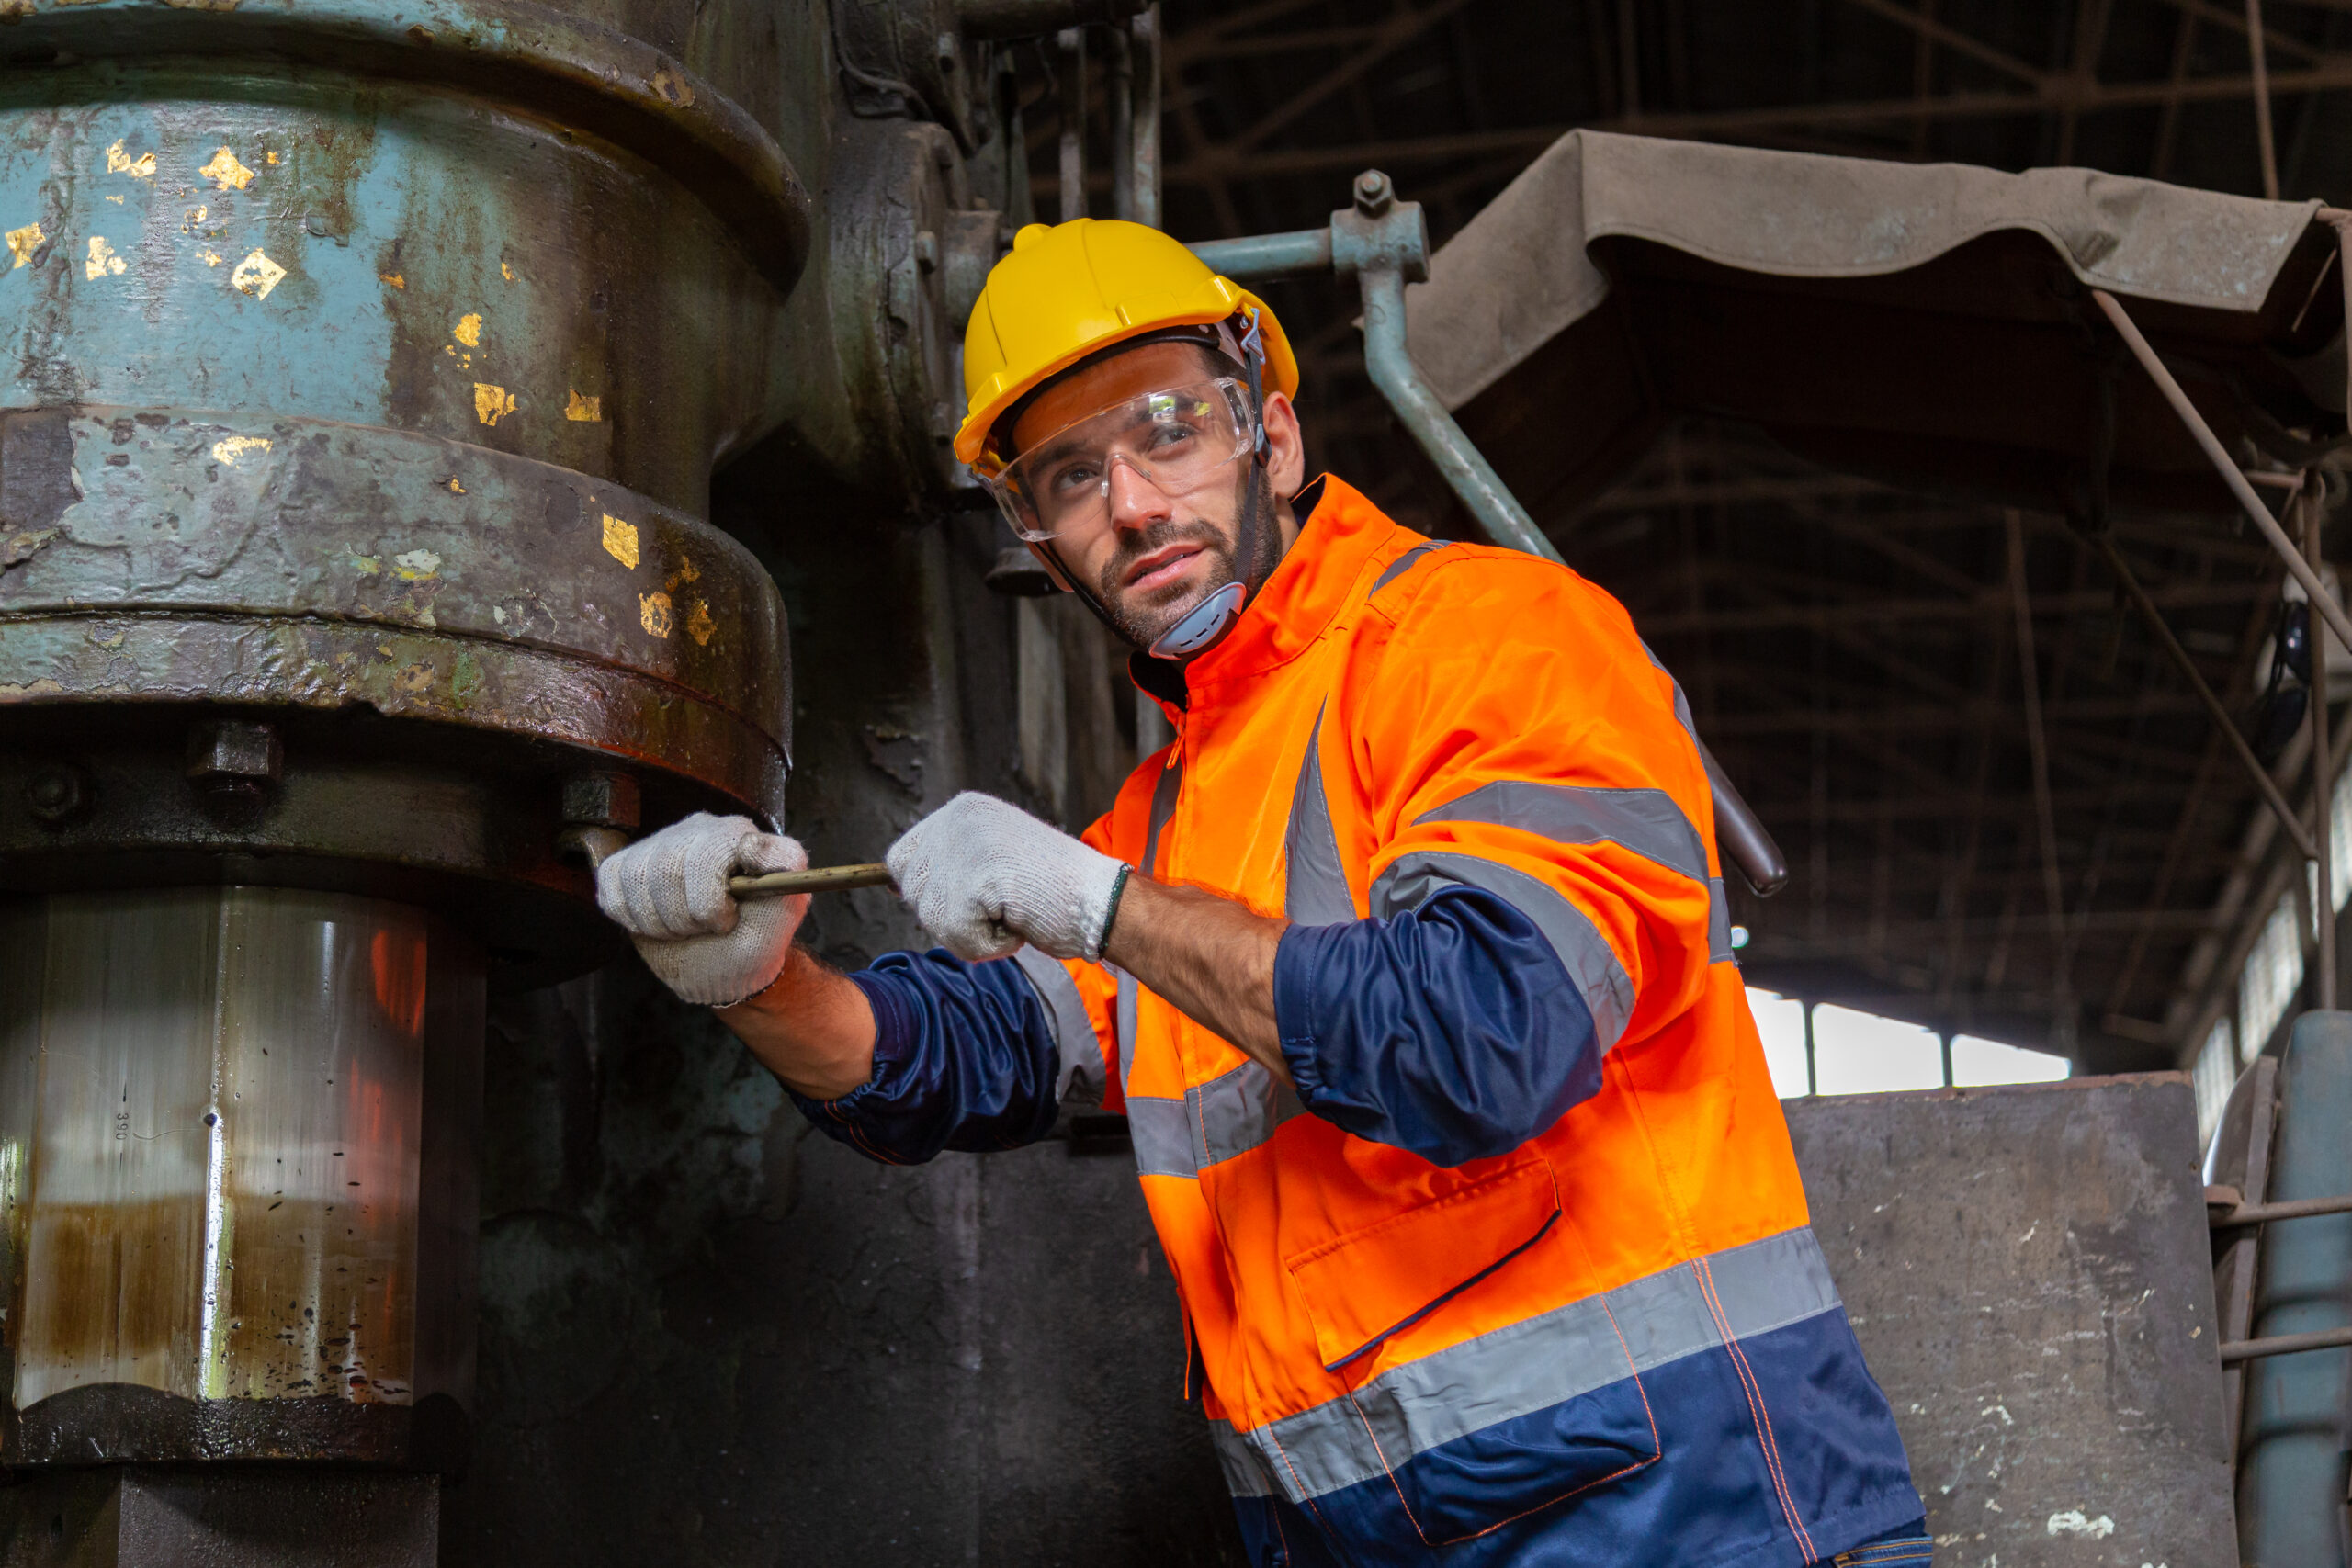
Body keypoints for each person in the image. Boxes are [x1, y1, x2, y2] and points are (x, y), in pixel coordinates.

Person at [596, 218, 1928, 1567]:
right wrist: (758, 979)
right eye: (1068, 476)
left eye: (1168, 430)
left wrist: (1107, 906)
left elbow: (1483, 1037)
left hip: (1684, 1521)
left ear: (1272, 441)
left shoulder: (1499, 643)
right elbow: (969, 1056)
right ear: (1042, 547)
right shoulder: (1168, 814)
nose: (1129, 504)